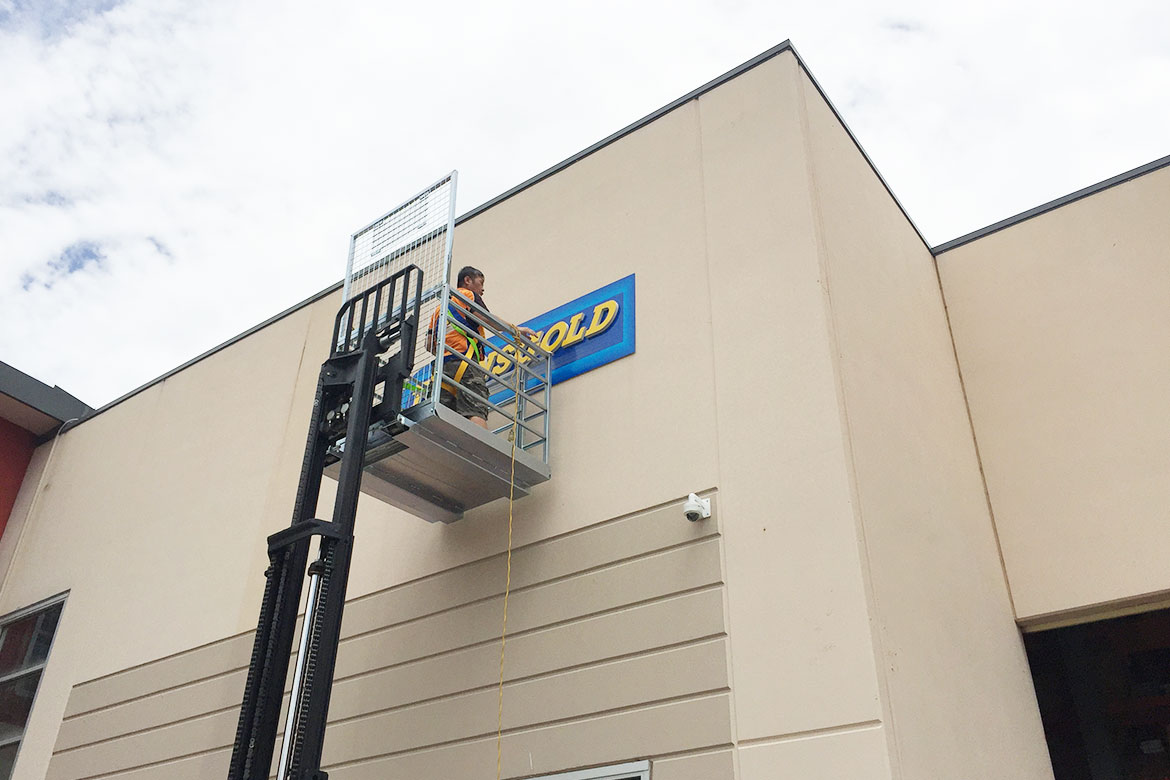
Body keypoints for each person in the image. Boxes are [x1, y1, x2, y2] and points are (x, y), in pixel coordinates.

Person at [429, 266, 535, 429]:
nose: (483, 289)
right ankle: (478, 445)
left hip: (442, 368)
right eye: (481, 282)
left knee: (441, 416)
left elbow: (429, 344)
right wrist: (516, 330)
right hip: (465, 363)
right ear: (467, 280)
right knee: (475, 411)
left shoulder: (439, 310)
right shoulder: (467, 295)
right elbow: (487, 319)